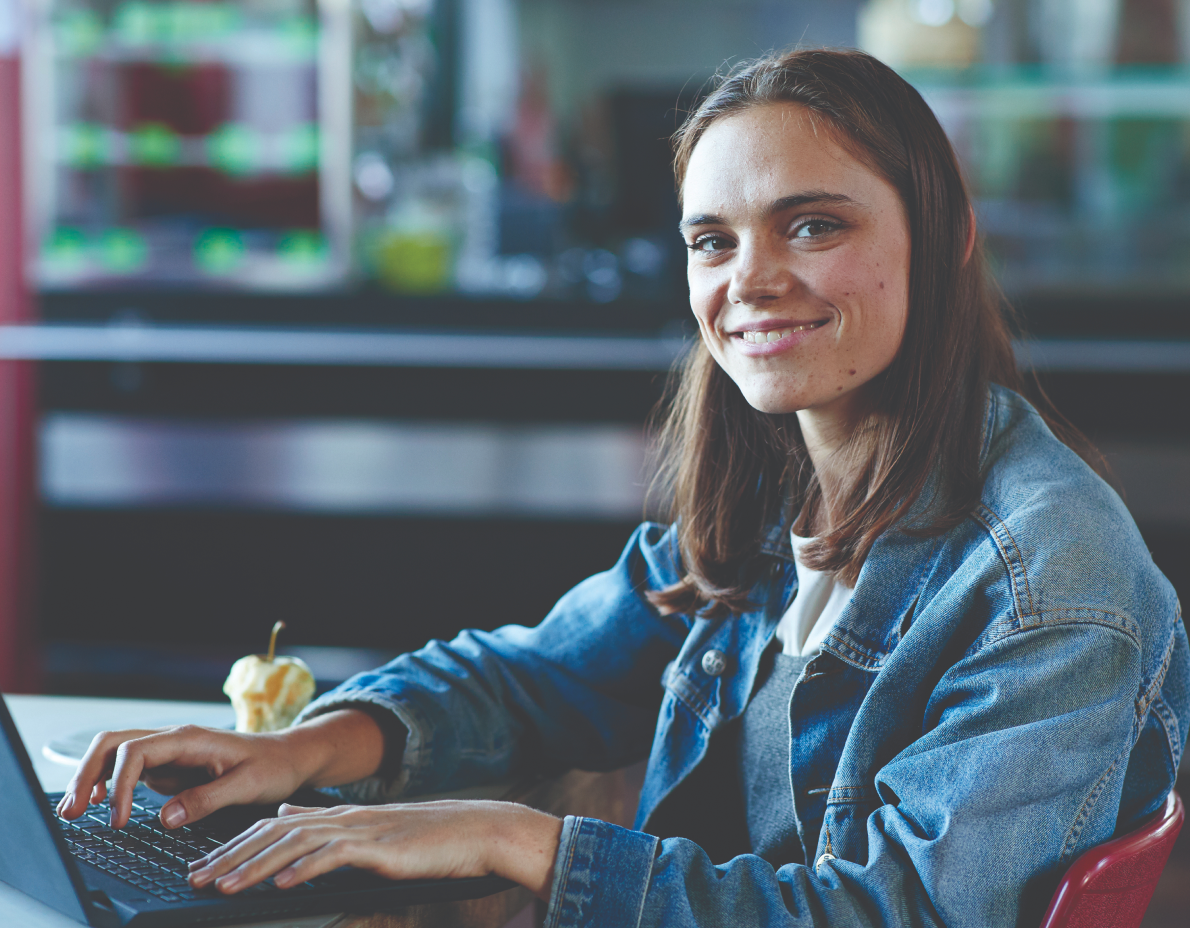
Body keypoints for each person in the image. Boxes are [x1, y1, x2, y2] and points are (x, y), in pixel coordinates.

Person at [60, 49, 1188, 928]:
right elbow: (543, 675)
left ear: (942, 235)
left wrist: (520, 840)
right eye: (711, 240)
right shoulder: (775, 487)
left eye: (812, 223)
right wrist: (302, 747)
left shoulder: (1053, 586)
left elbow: (887, 914)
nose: (748, 279)